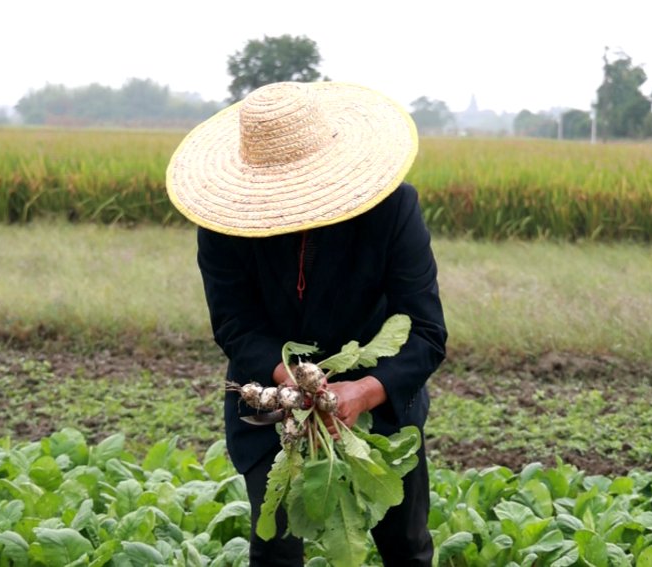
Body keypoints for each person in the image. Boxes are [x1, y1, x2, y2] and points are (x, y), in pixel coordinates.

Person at [166, 81, 447, 566]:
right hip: (273, 407)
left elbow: (425, 332)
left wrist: (363, 391)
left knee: (407, 549)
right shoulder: (223, 223)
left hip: (382, 407)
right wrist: (293, 384)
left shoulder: (392, 209)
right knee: (274, 551)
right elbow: (235, 325)